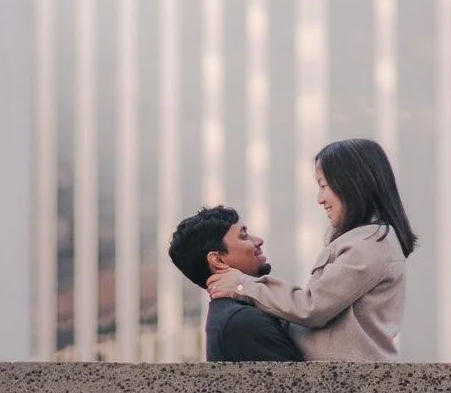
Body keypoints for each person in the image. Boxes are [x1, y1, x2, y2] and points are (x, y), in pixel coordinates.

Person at [205, 136, 416, 360]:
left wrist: (241, 285)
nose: (320, 199)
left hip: (352, 384)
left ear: (352, 183)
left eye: (323, 186)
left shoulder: (371, 242)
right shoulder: (366, 240)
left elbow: (312, 307)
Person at [167, 205, 305, 362]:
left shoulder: (228, 315)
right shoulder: (243, 321)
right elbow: (299, 384)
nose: (259, 241)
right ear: (218, 259)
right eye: (244, 236)